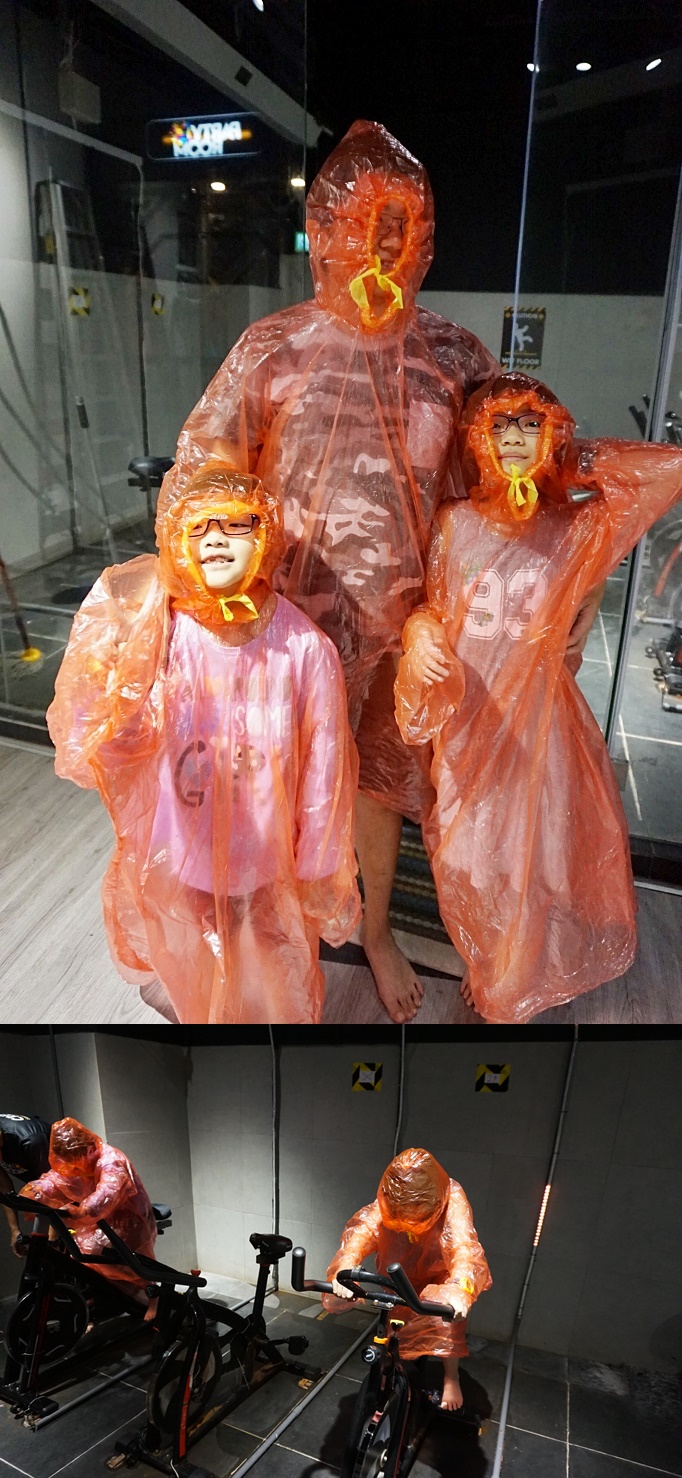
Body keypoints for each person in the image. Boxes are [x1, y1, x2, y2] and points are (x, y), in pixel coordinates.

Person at [154, 119, 602, 1025]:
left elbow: (514, 468)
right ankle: (265, 929)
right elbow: (205, 472)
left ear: (424, 237)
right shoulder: (274, 350)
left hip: (409, 626)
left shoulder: (452, 359)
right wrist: (193, 589)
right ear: (323, 231)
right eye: (361, 224)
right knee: (268, 770)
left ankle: (374, 930)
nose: (380, 246)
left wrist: (576, 573)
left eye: (400, 226)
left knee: (378, 784)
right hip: (281, 621)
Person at [395, 372, 682, 1022]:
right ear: (478, 438)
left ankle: (511, 979)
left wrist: (570, 459)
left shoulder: (573, 530)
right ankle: (488, 957)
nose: (517, 438)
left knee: (532, 863)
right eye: (501, 426)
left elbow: (664, 472)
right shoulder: (456, 526)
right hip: (470, 728)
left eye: (532, 425)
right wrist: (420, 637)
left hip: (540, 736)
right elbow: (431, 607)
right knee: (471, 857)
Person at [47, 463, 360, 1024]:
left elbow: (325, 766)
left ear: (265, 537)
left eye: (234, 525)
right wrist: (106, 693)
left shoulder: (305, 650)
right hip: (188, 843)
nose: (215, 538)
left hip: (267, 852)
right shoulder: (162, 636)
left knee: (266, 947)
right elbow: (121, 750)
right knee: (200, 942)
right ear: (178, 543)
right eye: (198, 528)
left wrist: (318, 859)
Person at [324, 1147, 490, 1410]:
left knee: (447, 1325)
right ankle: (388, 1367)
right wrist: (343, 1270)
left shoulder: (452, 1197)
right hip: (399, 1272)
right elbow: (362, 1232)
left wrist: (460, 1289)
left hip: (440, 1275)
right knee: (392, 1323)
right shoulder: (391, 1196)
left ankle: (451, 1376)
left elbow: (463, 1247)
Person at [19, 1118, 157, 1302]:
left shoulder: (111, 1161)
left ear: (89, 1148)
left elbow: (108, 1193)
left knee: (125, 1262)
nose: (73, 1168)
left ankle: (154, 1296)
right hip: (101, 1221)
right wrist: (33, 1193)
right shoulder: (80, 1163)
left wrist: (82, 1212)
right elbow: (56, 1181)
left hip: (129, 1220)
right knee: (83, 1256)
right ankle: (105, 1298)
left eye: (75, 1161)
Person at [0, 1113, 52, 1255]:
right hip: (47, 1187)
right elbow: (4, 1189)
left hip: (79, 1184)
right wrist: (14, 1230)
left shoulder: (30, 1140)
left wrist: (51, 1238)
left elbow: (53, 1189)